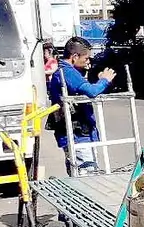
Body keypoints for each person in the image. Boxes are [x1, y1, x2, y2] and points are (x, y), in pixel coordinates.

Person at [48, 37, 115, 175]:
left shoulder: (68, 72)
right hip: (77, 134)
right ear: (74, 57)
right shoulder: (67, 72)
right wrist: (104, 80)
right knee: (87, 176)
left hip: (79, 133)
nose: (88, 62)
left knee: (81, 173)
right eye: (86, 58)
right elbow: (92, 91)